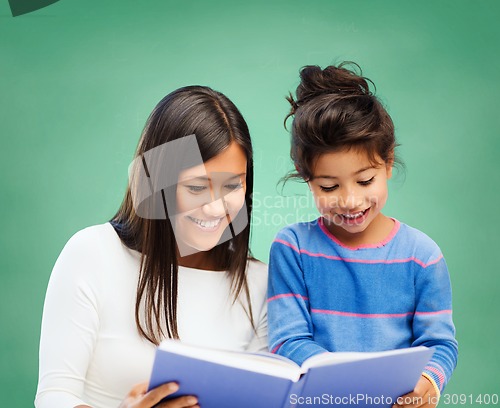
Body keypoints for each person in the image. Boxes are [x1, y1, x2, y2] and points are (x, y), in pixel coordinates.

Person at [35, 86, 268, 408]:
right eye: (197, 187)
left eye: (232, 185)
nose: (215, 209)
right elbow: (55, 396)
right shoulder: (93, 252)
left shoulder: (258, 282)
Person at [267, 63, 458, 408]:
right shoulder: (293, 248)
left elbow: (440, 345)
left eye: (365, 180)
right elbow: (287, 340)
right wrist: (350, 383)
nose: (350, 200)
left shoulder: (422, 255)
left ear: (388, 163)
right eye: (329, 186)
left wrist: (427, 383)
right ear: (306, 178)